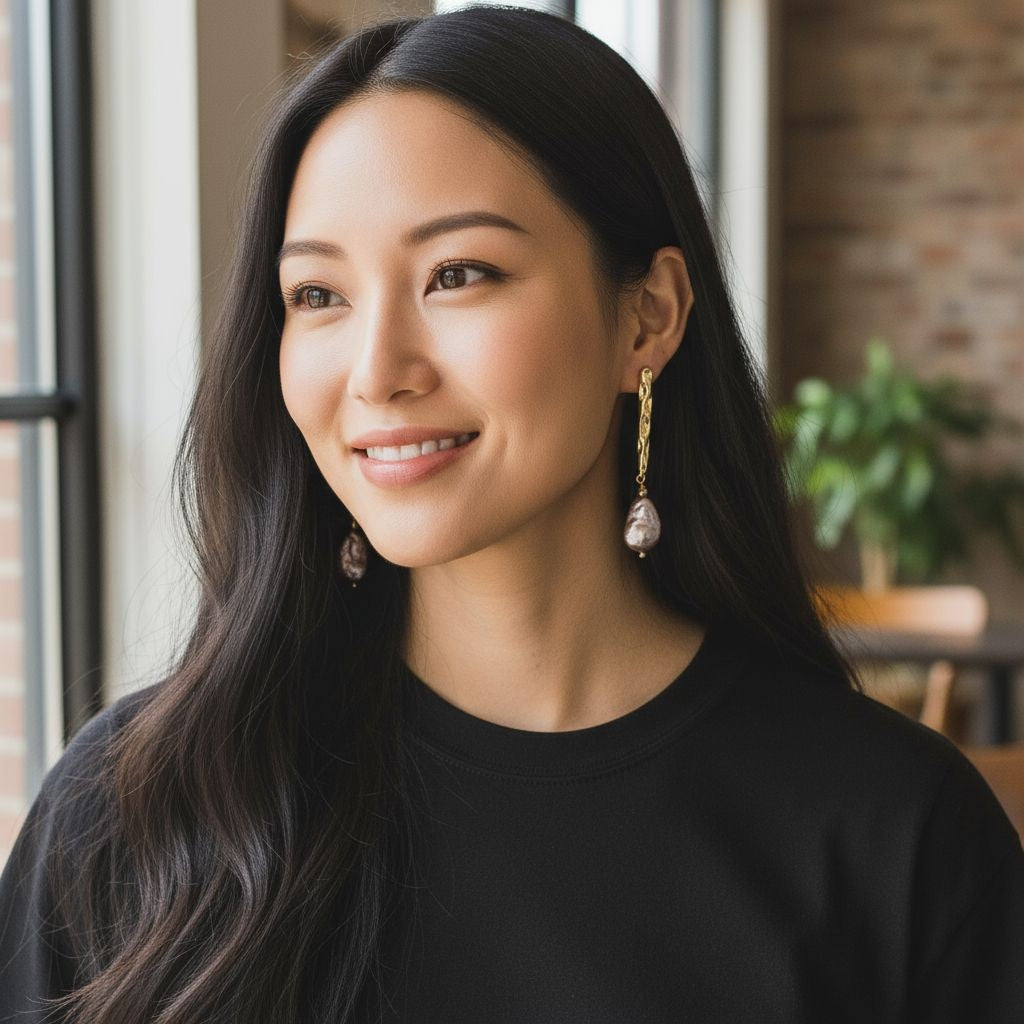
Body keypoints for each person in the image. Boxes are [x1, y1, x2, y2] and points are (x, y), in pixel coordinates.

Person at [2, 5, 1022, 1022]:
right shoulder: (133, 813)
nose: (377, 372)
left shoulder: (899, 836)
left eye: (459, 274)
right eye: (317, 294)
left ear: (647, 316)